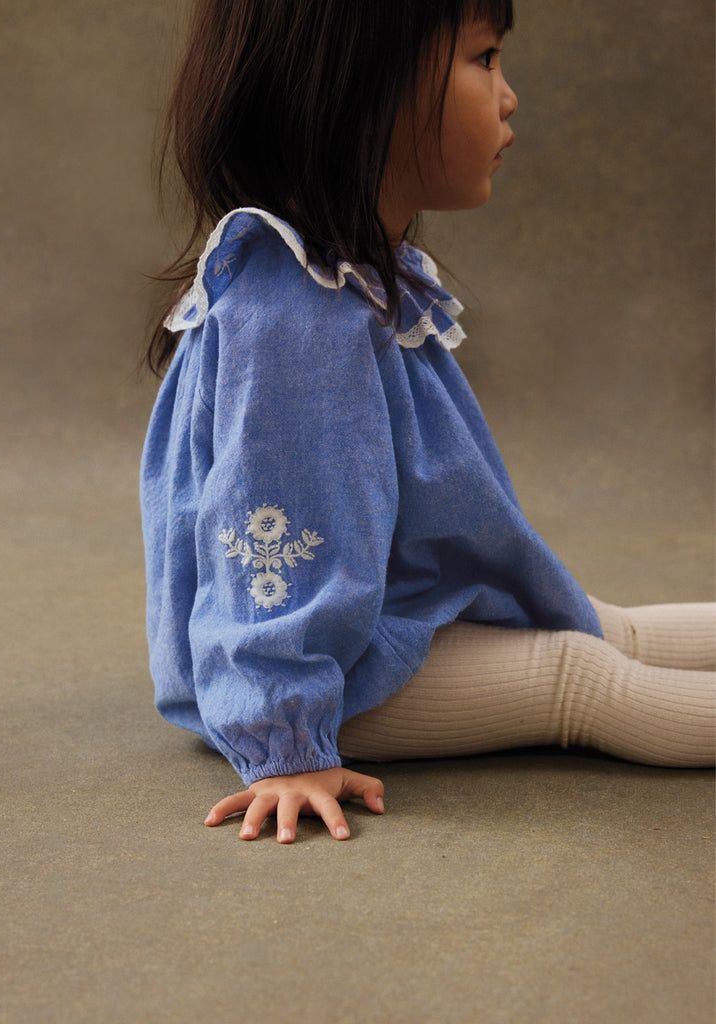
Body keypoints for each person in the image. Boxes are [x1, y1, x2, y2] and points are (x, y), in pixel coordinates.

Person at [140, 0, 715, 844]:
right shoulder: (295, 319)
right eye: (483, 59)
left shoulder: (347, 279)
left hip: (380, 617)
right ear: (363, 88)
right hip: (320, 676)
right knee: (582, 676)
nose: (509, 96)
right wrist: (286, 740)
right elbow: (266, 545)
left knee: (601, 623)